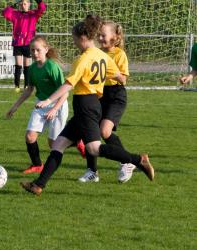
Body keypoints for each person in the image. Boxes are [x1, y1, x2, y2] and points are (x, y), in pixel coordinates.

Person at [20, 15, 155, 196]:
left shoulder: (82, 59)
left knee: (93, 148)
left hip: (86, 105)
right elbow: (120, 77)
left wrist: (48, 100)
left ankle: (138, 160)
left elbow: (68, 84)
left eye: (74, 39)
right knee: (58, 145)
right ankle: (38, 185)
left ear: (82, 38)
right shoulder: (103, 56)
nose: (74, 43)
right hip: (92, 103)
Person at [78, 20, 136, 184]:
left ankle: (127, 162)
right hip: (99, 94)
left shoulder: (119, 54)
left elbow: (123, 79)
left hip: (116, 95)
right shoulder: (96, 52)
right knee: (90, 132)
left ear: (115, 38)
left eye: (104, 35)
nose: (100, 38)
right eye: (99, 35)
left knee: (105, 132)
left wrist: (107, 72)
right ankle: (92, 171)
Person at [6, 35, 69, 174]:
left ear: (46, 49)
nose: (34, 53)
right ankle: (37, 165)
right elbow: (29, 89)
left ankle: (77, 141)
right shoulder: (33, 68)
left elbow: (65, 92)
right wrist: (15, 106)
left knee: (53, 144)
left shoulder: (52, 67)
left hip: (58, 105)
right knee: (30, 136)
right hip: (40, 105)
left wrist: (54, 109)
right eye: (32, 50)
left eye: (38, 50)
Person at [2, 0, 46, 93]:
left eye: (25, 3)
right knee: (18, 65)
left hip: (28, 44)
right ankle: (17, 86)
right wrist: (12, 5)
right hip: (17, 43)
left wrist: (39, 2)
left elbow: (42, 9)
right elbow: (5, 13)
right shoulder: (15, 14)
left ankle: (27, 86)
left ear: (29, 4)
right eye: (21, 4)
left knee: (27, 66)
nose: (23, 5)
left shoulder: (33, 14)